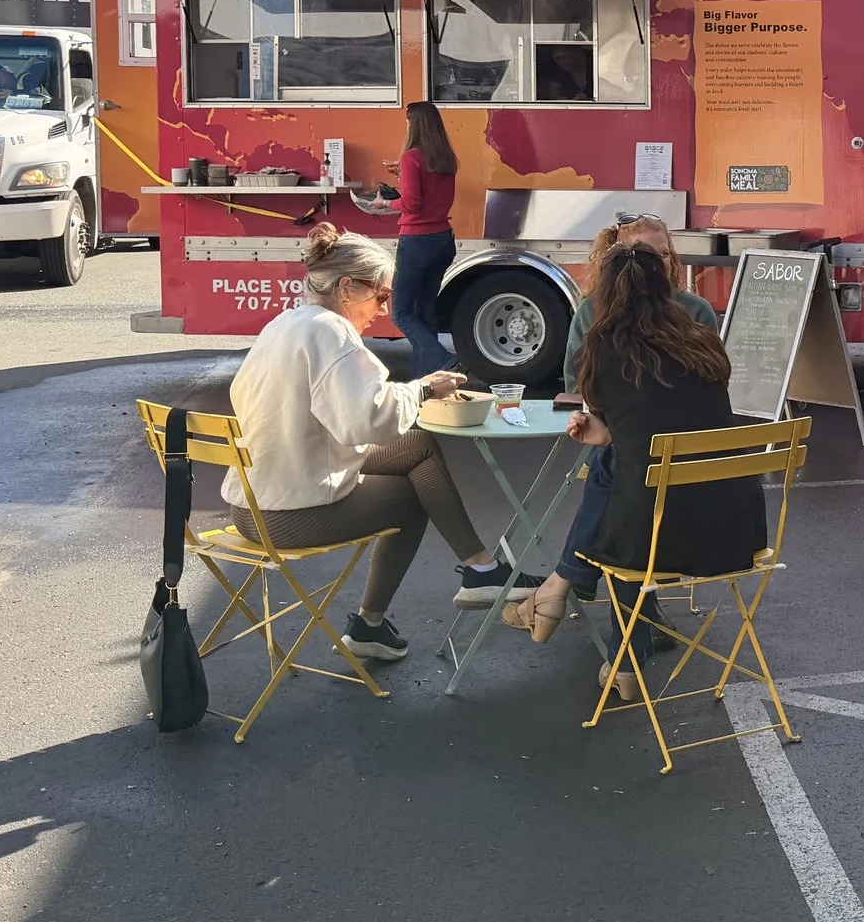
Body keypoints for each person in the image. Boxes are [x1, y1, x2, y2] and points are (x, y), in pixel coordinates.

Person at [506, 242, 767, 702]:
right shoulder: (702, 340)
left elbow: (621, 421)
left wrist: (600, 433)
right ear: (667, 288)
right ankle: (603, 633)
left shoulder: (603, 350)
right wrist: (608, 438)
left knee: (630, 504)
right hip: (737, 529)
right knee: (623, 473)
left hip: (657, 537)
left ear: (603, 293)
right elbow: (666, 417)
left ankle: (574, 596)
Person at [223, 223, 495, 661]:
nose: (385, 309)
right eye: (382, 296)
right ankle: (374, 622)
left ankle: (482, 568)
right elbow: (368, 419)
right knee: (413, 496)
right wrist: (423, 389)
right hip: (285, 516)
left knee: (419, 448)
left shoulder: (285, 323)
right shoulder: (332, 332)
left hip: (249, 504)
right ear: (348, 287)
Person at [554, 215, 724, 610]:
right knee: (624, 464)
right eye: (649, 256)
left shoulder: (695, 312)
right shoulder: (592, 313)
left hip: (675, 453)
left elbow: (695, 398)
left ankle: (571, 575)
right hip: (731, 513)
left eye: (665, 254)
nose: (659, 264)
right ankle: (635, 630)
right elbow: (576, 386)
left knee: (618, 467)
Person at [389, 101, 459, 378]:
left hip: (417, 240)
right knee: (425, 308)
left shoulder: (411, 158)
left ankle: (442, 359)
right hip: (443, 238)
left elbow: (412, 203)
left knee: (402, 313)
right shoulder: (444, 158)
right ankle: (425, 379)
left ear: (413, 124)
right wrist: (403, 175)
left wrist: (385, 203)